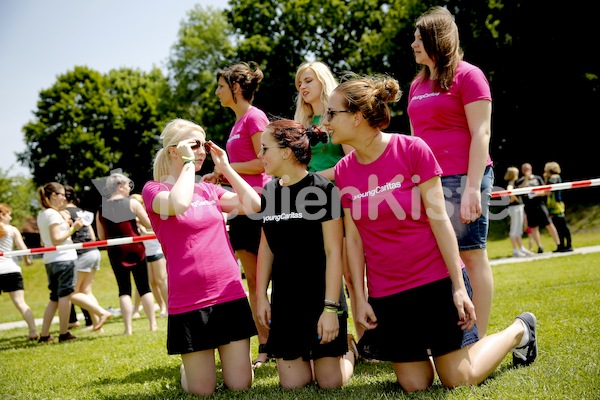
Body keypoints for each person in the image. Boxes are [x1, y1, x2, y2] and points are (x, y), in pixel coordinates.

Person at [326, 73, 538, 391]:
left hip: (434, 283)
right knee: (415, 384)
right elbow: (353, 239)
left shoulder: (412, 149)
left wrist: (458, 285)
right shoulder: (344, 170)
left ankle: (520, 329)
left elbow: (441, 221)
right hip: (389, 294)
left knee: (458, 378)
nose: (325, 121)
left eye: (332, 113)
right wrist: (359, 297)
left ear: (357, 117)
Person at [142, 118, 261, 396]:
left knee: (240, 385)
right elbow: (178, 204)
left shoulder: (208, 189)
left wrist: (227, 168)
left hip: (228, 295)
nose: (202, 151)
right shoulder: (153, 190)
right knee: (202, 391)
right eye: (194, 145)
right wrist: (186, 164)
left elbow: (254, 205)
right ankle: (190, 369)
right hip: (189, 302)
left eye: (204, 145)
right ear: (174, 150)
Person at [407, 6, 495, 338]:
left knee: (471, 256)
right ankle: (452, 333)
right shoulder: (417, 84)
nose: (414, 45)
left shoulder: (469, 75)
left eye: (419, 38)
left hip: (464, 178)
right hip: (429, 181)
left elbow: (481, 133)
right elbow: (415, 139)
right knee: (443, 261)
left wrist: (473, 187)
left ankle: (480, 339)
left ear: (436, 40)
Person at [255, 119, 356, 389]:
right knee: (294, 385)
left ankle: (349, 351)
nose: (259, 155)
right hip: (286, 301)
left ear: (286, 152)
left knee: (330, 383)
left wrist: (330, 309)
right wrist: (261, 295)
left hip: (322, 299)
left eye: (265, 149)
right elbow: (266, 247)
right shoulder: (269, 192)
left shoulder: (323, 190)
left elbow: (334, 252)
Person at [203, 61, 271, 367]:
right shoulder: (237, 122)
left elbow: (265, 163)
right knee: (254, 283)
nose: (216, 91)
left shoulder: (255, 118)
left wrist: (224, 170)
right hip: (241, 209)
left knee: (269, 280)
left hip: (259, 204)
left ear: (237, 88)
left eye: (220, 86)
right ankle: (266, 347)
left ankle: (283, 341)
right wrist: (221, 175)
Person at [294, 61, 364, 343]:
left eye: (308, 80)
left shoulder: (339, 117)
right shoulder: (301, 124)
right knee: (322, 274)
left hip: (339, 200)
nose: (303, 87)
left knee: (351, 274)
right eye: (299, 82)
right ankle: (338, 338)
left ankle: (367, 338)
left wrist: (313, 178)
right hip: (309, 204)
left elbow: (352, 162)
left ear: (323, 81)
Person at [37, 182, 111, 343]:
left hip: (51, 260)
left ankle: (44, 335)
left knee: (55, 298)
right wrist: (74, 228)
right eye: (62, 194)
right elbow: (57, 239)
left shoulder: (42, 214)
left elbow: (47, 240)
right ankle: (65, 332)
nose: (65, 198)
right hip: (63, 258)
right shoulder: (53, 214)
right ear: (53, 196)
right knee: (67, 295)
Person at [95, 173, 157, 335]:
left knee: (124, 290)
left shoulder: (101, 209)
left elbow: (101, 237)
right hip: (136, 248)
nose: (130, 188)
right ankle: (153, 325)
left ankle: (128, 329)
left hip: (115, 251)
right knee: (144, 287)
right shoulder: (133, 203)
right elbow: (149, 224)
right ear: (120, 186)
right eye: (129, 185)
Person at [64, 185, 104, 330]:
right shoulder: (81, 211)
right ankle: (98, 325)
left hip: (81, 253)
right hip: (93, 251)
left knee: (73, 292)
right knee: (86, 291)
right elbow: (92, 235)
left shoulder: (64, 213)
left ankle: (102, 314)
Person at [0, 203, 39, 340]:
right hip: (11, 270)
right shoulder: (12, 230)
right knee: (21, 303)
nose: (10, 217)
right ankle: (33, 331)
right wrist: (27, 261)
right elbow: (23, 248)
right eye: (8, 214)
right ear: (1, 215)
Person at [129, 193, 168, 318]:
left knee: (161, 280)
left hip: (157, 251)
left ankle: (168, 307)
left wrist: (143, 227)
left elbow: (154, 229)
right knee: (152, 282)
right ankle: (162, 307)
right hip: (146, 253)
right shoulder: (134, 219)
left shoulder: (148, 214)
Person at [515, 163, 561, 253]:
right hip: (529, 206)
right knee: (534, 227)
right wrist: (526, 179)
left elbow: (545, 190)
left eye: (528, 169)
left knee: (549, 224)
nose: (527, 171)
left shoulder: (538, 178)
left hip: (540, 204)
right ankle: (540, 247)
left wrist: (536, 193)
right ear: (522, 171)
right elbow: (519, 191)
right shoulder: (520, 181)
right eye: (525, 169)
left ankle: (558, 244)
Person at [503, 167, 534, 257]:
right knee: (514, 229)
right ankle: (515, 250)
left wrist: (526, 179)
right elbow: (509, 190)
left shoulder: (514, 183)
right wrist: (513, 197)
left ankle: (521, 248)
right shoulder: (511, 183)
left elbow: (521, 187)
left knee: (518, 229)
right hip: (515, 208)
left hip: (518, 207)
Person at [543, 161, 573, 252]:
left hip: (556, 204)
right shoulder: (553, 178)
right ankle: (562, 245)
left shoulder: (554, 177)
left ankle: (568, 245)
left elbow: (548, 190)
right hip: (554, 204)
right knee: (558, 226)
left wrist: (546, 179)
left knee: (562, 226)